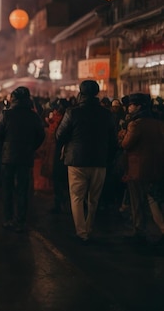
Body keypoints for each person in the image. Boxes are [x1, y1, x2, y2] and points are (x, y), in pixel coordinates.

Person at [55, 80, 117, 244]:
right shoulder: (106, 114)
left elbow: (59, 135)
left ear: (80, 94)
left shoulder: (72, 112)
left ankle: (81, 232)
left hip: (76, 161)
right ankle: (89, 228)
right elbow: (113, 140)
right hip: (99, 161)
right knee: (94, 198)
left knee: (76, 197)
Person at [0, 86, 45, 233]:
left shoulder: (6, 114)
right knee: (22, 189)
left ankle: (8, 219)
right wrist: (31, 147)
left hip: (7, 157)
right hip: (25, 156)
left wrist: (1, 148)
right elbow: (41, 135)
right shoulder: (33, 116)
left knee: (8, 189)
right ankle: (20, 220)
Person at [119, 93, 164, 244]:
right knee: (153, 199)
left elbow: (125, 144)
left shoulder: (135, 124)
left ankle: (139, 230)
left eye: (131, 104)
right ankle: (161, 227)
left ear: (138, 106)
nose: (129, 107)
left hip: (137, 168)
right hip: (156, 166)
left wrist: (122, 135)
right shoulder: (158, 123)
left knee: (137, 200)